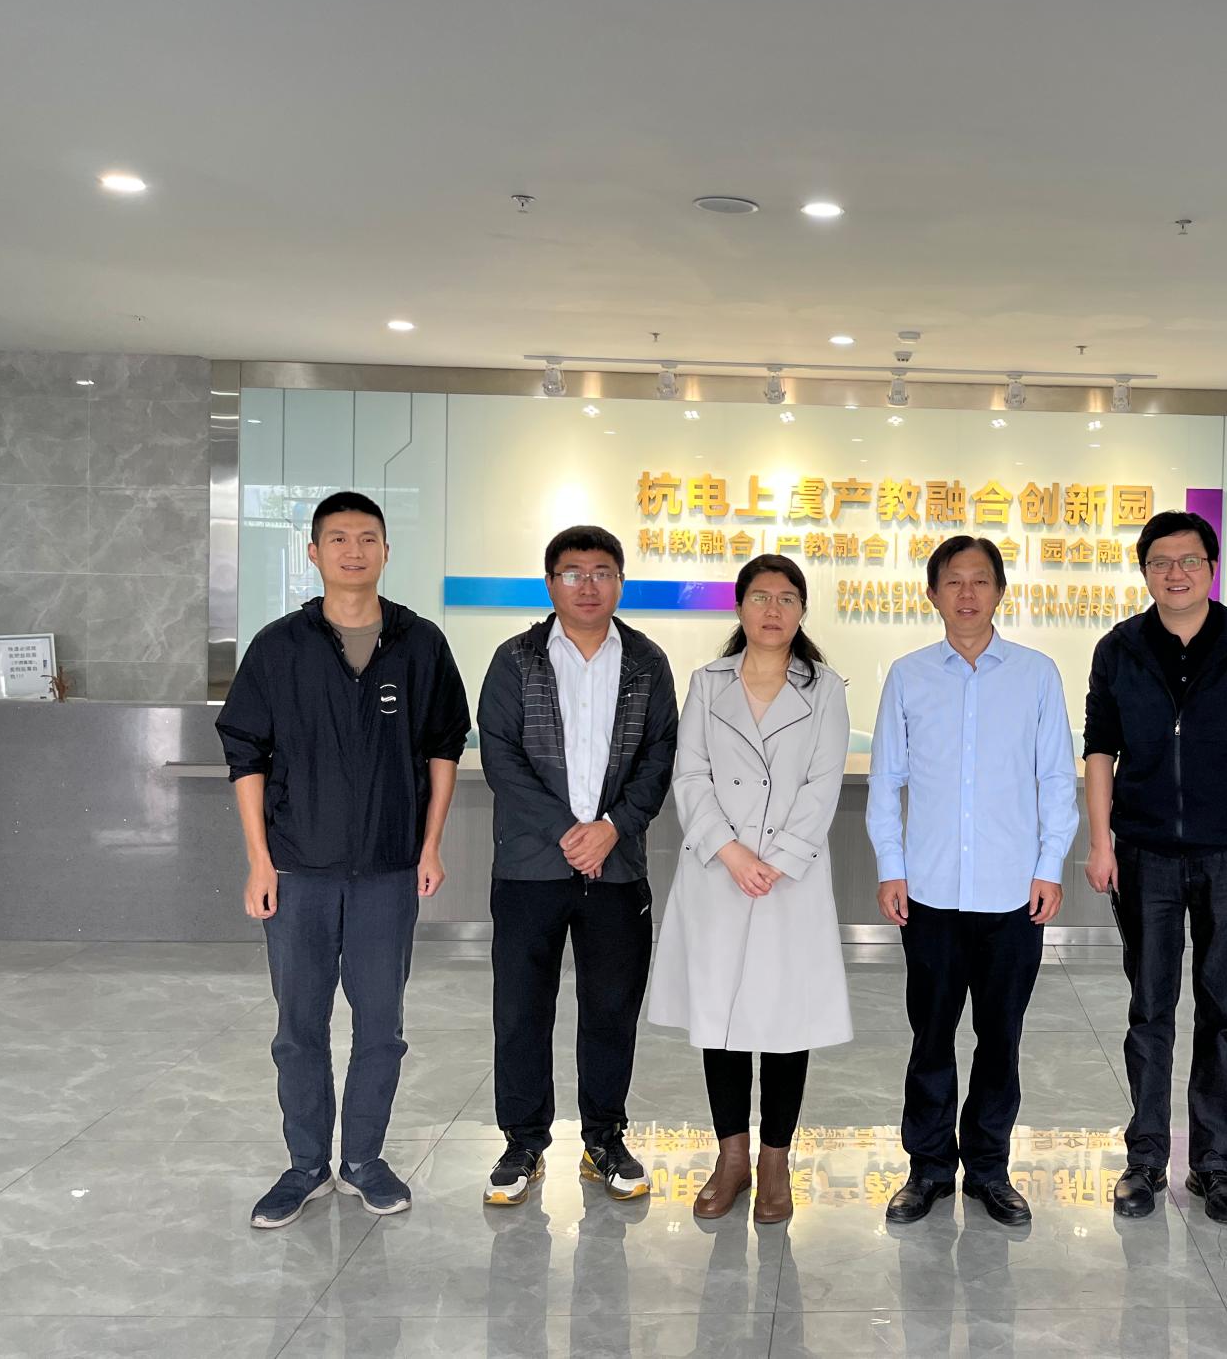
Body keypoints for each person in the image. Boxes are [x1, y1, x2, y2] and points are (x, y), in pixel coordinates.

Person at [217, 490, 470, 1229]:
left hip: (388, 869)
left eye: (367, 538)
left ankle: (363, 1160)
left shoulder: (420, 644)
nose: (353, 551)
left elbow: (444, 748)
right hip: (298, 869)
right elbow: (246, 756)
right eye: (338, 538)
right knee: (299, 1027)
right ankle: (305, 1166)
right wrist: (259, 862)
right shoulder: (280, 647)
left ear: (387, 551)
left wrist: (430, 845)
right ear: (314, 553)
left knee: (381, 1027)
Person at [1081, 511, 1227, 1224]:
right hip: (1144, 851)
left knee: (1223, 1010)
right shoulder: (1119, 648)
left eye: (1190, 561)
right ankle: (1146, 1159)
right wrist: (1101, 841)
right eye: (1161, 562)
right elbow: (1100, 749)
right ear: (1144, 571)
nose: (1176, 573)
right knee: (1150, 1009)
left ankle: (1213, 1165)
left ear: (1211, 567)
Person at [866, 535, 1079, 1227]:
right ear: (932, 594)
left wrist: (1049, 866)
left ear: (999, 591)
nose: (967, 593)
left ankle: (988, 1169)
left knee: (1000, 1039)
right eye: (953, 581)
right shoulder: (908, 676)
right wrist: (891, 867)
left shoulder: (1036, 674)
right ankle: (928, 1168)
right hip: (929, 893)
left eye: (980, 580)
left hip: (1012, 893)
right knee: (930, 1038)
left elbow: (1057, 778)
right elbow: (886, 781)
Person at [476, 525, 679, 1207]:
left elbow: (659, 756)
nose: (587, 585)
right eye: (572, 573)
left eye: (601, 572)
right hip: (530, 867)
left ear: (620, 582)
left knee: (611, 1010)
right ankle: (523, 1142)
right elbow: (501, 756)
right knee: (521, 1010)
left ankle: (604, 1139)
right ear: (550, 584)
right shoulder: (516, 659)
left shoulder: (647, 662)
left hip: (616, 870)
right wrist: (568, 831)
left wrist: (612, 827)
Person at [648, 555, 854, 1224]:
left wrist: (779, 859)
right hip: (719, 873)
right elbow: (690, 776)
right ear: (739, 607)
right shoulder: (707, 683)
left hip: (790, 879)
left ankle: (774, 1163)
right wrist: (732, 853)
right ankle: (731, 1158)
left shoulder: (825, 688)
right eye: (760, 597)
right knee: (722, 1021)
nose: (773, 610)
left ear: (802, 611)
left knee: (787, 1021)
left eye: (787, 598)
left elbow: (824, 783)